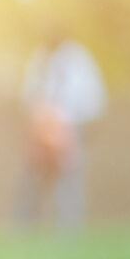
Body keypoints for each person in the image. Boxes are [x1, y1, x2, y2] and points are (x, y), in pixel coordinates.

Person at [18, 30, 106, 230]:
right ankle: (24, 229)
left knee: (69, 180)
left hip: (69, 128)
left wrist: (72, 123)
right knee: (32, 179)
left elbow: (92, 97)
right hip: (42, 128)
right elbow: (29, 93)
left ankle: (69, 230)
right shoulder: (40, 57)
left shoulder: (79, 58)